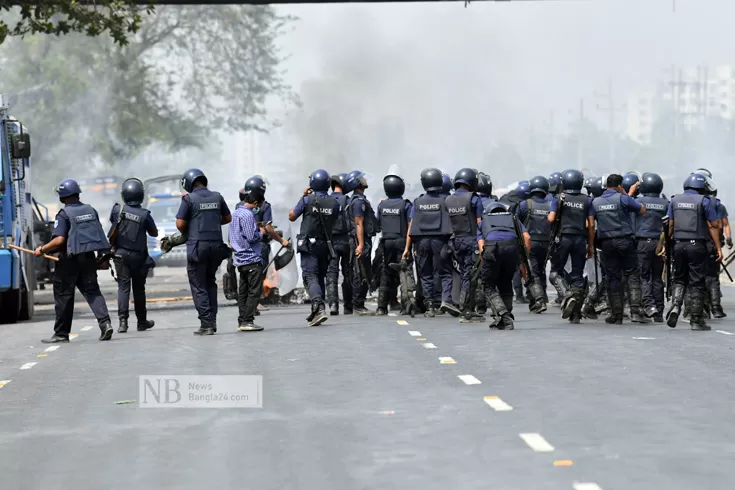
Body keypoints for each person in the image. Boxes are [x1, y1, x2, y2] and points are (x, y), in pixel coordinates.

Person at [35, 179, 114, 343]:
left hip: (69, 262)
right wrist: (103, 257)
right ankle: (105, 324)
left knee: (63, 296)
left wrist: (42, 250)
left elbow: (59, 241)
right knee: (92, 292)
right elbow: (99, 234)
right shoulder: (91, 210)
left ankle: (61, 334)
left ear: (62, 196)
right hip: (88, 258)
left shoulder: (64, 214)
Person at [176, 168, 232, 335]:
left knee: (199, 285)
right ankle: (212, 321)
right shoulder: (217, 196)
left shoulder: (188, 199)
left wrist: (193, 224)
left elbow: (180, 224)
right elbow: (228, 218)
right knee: (210, 282)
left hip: (198, 248)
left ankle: (206, 323)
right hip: (216, 247)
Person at [666, 173, 722, 330]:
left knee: (679, 278)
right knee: (697, 281)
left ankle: (676, 305)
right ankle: (696, 320)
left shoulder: (674, 200)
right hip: (697, 245)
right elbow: (715, 224)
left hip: (678, 245)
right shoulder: (703, 200)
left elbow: (670, 225)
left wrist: (665, 245)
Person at [591, 174, 646, 324]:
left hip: (607, 243)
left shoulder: (595, 202)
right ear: (619, 185)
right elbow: (641, 210)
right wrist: (625, 193)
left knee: (613, 277)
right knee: (632, 274)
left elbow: (590, 223)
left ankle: (616, 314)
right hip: (625, 240)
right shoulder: (623, 198)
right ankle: (636, 311)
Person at [402, 168, 458, 317]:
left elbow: (411, 224)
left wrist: (407, 247)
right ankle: (446, 300)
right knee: (445, 273)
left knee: (425, 274)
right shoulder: (445, 201)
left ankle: (429, 307)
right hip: (440, 241)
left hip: (421, 241)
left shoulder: (417, 202)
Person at [289, 169, 339, 326]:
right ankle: (317, 309)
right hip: (325, 245)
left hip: (309, 245)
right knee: (320, 277)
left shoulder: (307, 200)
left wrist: (304, 197)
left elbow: (292, 216)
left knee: (310, 276)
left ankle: (319, 307)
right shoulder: (334, 203)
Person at [108, 178, 157, 333]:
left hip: (120, 255)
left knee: (123, 287)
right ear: (141, 195)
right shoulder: (144, 214)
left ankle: (123, 323)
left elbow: (112, 223)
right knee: (138, 289)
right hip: (138, 257)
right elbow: (154, 232)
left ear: (124, 195)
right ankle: (141, 322)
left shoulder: (117, 210)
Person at [548, 169, 595, 323]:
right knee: (577, 275)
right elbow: (591, 225)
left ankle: (566, 297)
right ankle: (575, 314)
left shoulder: (559, 198)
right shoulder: (587, 200)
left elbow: (551, 219)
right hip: (580, 239)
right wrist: (590, 246)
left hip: (562, 238)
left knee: (555, 272)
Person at [477, 201, 532, 330]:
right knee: (506, 282)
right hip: (512, 248)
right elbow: (527, 238)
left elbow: (481, 247)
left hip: (492, 249)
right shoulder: (513, 219)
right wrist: (523, 262)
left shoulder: (482, 222)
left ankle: (504, 316)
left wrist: (484, 265)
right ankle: (504, 316)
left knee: (488, 285)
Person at [445, 168, 485, 322]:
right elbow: (480, 223)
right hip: (471, 240)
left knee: (463, 274)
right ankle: (466, 309)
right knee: (471, 275)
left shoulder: (448, 200)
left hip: (455, 241)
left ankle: (464, 305)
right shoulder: (474, 198)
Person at [230, 187, 267, 331]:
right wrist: (262, 233)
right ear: (256, 203)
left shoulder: (235, 213)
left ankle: (242, 320)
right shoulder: (247, 215)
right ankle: (247, 320)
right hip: (251, 258)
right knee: (254, 292)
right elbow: (251, 237)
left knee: (243, 292)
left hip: (240, 259)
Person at [376, 173, 412, 315]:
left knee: (386, 272)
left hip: (386, 242)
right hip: (401, 241)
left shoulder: (382, 205)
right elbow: (410, 225)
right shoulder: (405, 204)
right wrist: (408, 247)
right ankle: (406, 305)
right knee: (404, 271)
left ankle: (381, 306)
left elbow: (378, 224)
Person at [634, 173, 668, 322]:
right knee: (657, 278)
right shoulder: (665, 203)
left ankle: (649, 305)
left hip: (642, 242)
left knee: (643, 276)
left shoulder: (638, 201)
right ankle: (659, 311)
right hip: (660, 243)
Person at [517, 175, 552, 313]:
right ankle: (540, 297)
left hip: (530, 243)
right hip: (547, 243)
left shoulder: (525, 204)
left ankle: (538, 300)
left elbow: (516, 224)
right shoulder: (551, 204)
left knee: (532, 272)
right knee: (541, 270)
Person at [344, 170, 379, 315]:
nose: (365, 180)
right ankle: (358, 305)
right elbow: (359, 223)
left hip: (362, 239)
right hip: (360, 240)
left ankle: (359, 303)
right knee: (360, 271)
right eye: (362, 178)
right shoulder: (358, 202)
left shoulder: (359, 200)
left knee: (363, 270)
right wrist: (361, 244)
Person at [326, 173, 354, 315]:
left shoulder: (326, 200)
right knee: (348, 273)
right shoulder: (347, 200)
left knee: (332, 273)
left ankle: (333, 305)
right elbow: (352, 222)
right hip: (346, 241)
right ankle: (348, 306)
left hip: (330, 242)